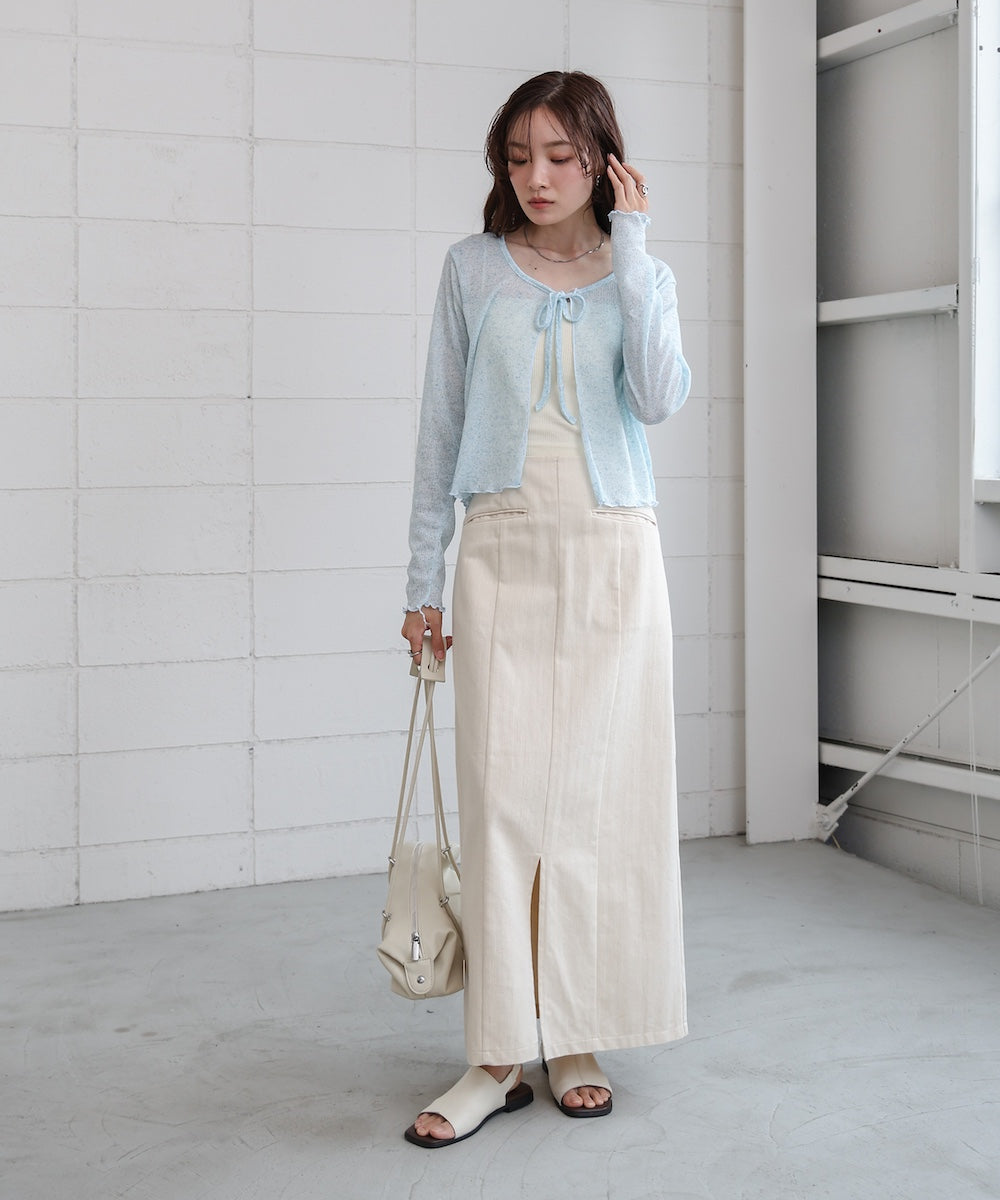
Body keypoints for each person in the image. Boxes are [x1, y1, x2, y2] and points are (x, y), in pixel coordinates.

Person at [400, 70, 690, 1148]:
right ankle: (493, 1056)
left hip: (613, 554)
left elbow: (658, 396)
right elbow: (438, 433)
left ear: (602, 160)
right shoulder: (471, 270)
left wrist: (636, 247)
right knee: (503, 802)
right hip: (502, 549)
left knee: (598, 807)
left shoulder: (638, 270)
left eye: (561, 156)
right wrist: (421, 584)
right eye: (518, 156)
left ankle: (576, 1037)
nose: (536, 176)